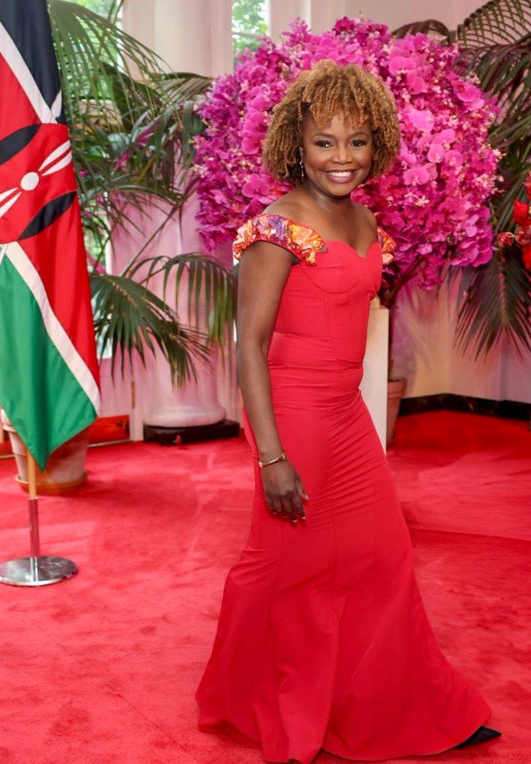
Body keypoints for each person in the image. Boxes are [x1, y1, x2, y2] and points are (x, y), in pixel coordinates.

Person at [195, 60, 499, 763]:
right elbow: (250, 348)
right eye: (325, 142)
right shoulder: (276, 228)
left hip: (346, 411)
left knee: (381, 553)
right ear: (295, 146)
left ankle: (405, 705)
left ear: (378, 144)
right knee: (286, 565)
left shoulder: (362, 216)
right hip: (291, 411)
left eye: (356, 141)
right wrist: (270, 456)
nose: (341, 157)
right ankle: (259, 701)